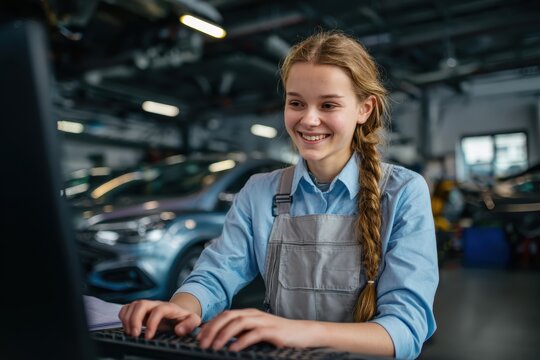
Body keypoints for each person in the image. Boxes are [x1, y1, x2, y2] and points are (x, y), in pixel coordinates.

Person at [118, 30, 438, 359]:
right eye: (296, 103)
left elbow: (405, 331)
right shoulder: (261, 191)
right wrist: (183, 308)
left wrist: (295, 331)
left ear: (364, 109)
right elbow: (216, 273)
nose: (308, 119)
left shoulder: (402, 192)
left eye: (328, 104)